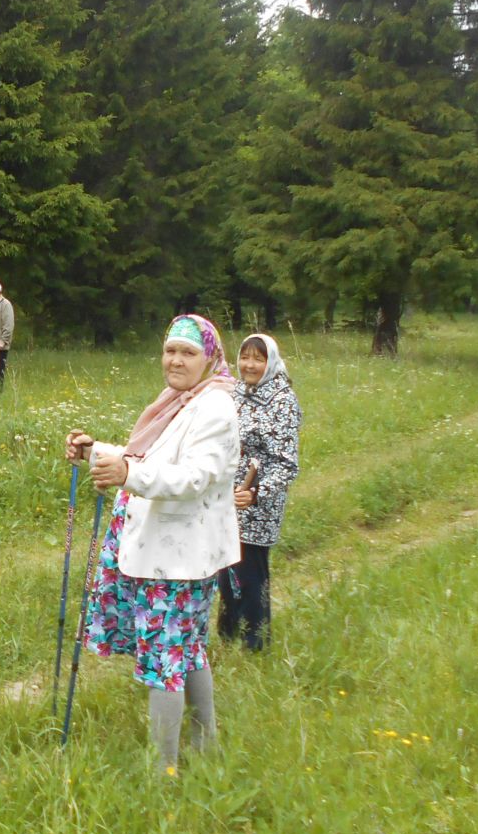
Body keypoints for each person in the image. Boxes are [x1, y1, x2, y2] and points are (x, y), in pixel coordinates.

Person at [64, 314, 239, 774]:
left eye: (188, 353)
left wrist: (128, 475)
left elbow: (194, 477)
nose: (176, 360)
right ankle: (206, 745)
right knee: (186, 648)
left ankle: (162, 770)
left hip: (180, 559)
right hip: (163, 552)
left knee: (166, 659)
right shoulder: (178, 401)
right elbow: (145, 457)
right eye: (170, 350)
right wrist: (94, 451)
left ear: (210, 359)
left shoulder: (215, 408)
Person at [219, 333, 302, 653]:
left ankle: (255, 644)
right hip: (227, 497)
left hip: (258, 503)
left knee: (251, 573)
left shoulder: (282, 400)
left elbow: (286, 464)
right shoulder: (234, 393)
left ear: (271, 362)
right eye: (245, 357)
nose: (249, 365)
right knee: (225, 570)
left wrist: (257, 492)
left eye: (258, 358)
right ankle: (227, 637)